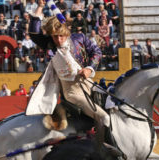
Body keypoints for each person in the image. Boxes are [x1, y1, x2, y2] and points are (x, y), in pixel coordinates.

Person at [26, 4, 110, 132]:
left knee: (112, 106)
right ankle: (107, 150)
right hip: (71, 91)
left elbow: (97, 52)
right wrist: (40, 6)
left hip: (89, 83)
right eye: (55, 36)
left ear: (66, 32)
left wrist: (89, 69)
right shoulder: (49, 44)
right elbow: (33, 32)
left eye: (61, 35)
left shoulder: (79, 38)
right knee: (104, 117)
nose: (58, 40)